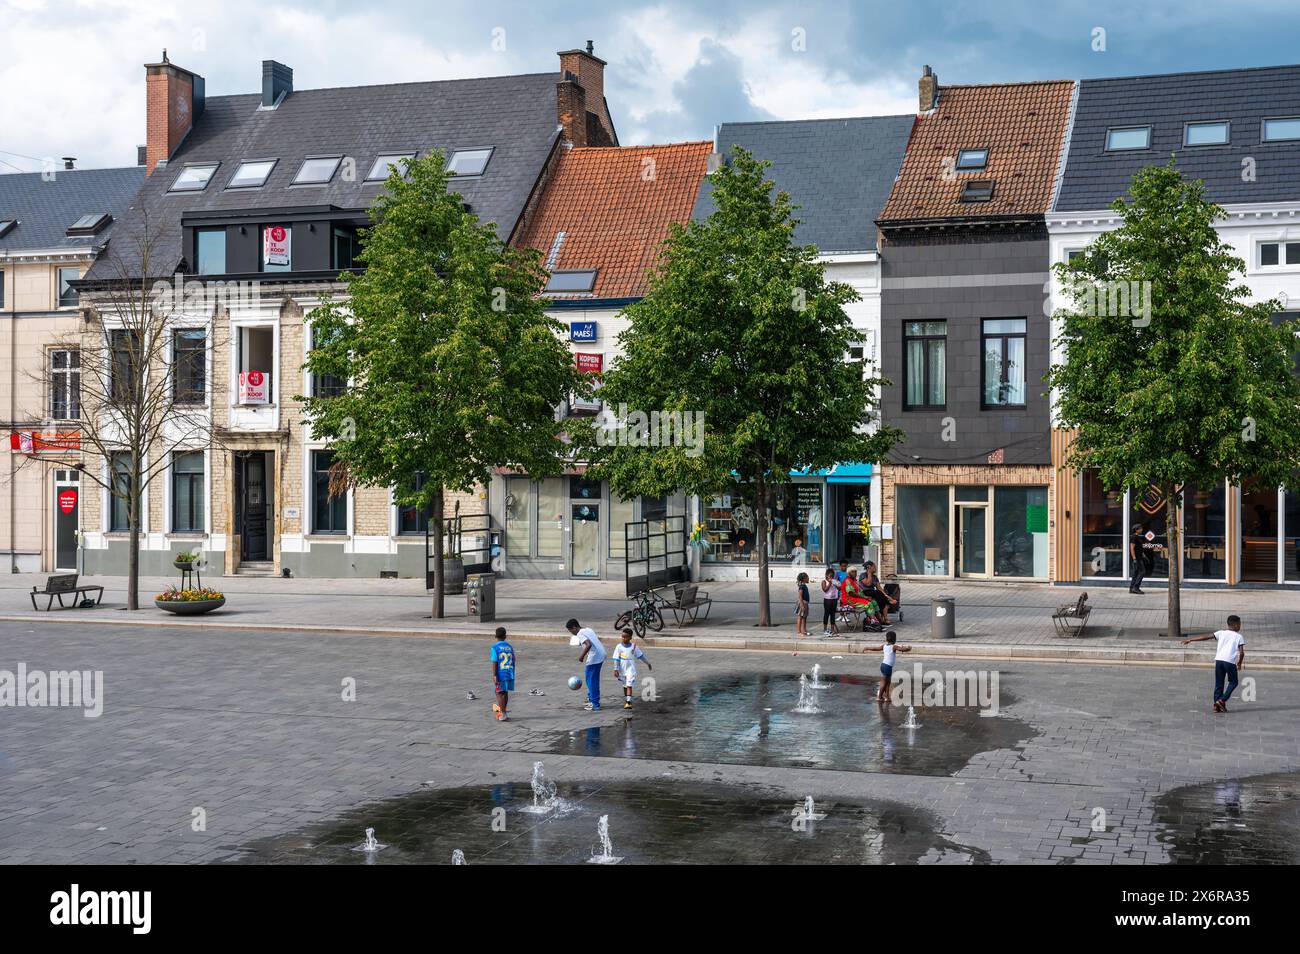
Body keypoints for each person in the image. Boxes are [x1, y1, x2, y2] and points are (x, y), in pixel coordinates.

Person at [1182, 615, 1246, 713]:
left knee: (1219, 683)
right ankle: (1222, 700)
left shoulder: (1221, 633)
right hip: (1229, 662)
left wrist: (1191, 640)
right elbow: (1241, 652)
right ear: (1236, 625)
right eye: (1240, 624)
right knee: (1234, 682)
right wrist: (1239, 663)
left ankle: (1216, 706)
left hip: (1219, 660)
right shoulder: (1239, 636)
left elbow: (1206, 637)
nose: (1240, 626)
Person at [567, 618, 606, 711]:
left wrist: (582, 656)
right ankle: (590, 698)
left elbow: (588, 644)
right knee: (593, 679)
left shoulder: (580, 633)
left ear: (574, 627)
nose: (571, 633)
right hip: (601, 654)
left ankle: (595, 704)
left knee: (591, 681)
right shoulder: (588, 629)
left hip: (594, 657)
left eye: (570, 630)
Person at [863, 631, 911, 703]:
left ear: (886, 639)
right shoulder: (894, 647)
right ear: (895, 639)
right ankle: (879, 697)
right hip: (887, 667)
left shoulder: (884, 646)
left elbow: (875, 648)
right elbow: (901, 649)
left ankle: (887, 697)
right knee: (885, 683)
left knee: (888, 682)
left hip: (883, 665)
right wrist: (908, 648)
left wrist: (867, 648)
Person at [611, 628, 651, 710]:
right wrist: (616, 669)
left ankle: (628, 702)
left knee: (629, 685)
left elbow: (641, 656)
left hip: (630, 669)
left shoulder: (634, 647)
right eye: (622, 637)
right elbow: (616, 659)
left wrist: (647, 663)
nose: (623, 638)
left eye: (625, 637)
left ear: (630, 638)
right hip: (622, 669)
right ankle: (627, 699)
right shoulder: (618, 647)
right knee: (625, 685)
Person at [489, 626, 515, 722]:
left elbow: (495, 662)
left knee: (498, 692)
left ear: (496, 636)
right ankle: (504, 712)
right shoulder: (509, 647)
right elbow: (513, 659)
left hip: (501, 673)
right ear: (505, 636)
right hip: (509, 672)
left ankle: (502, 713)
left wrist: (494, 675)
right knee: (505, 692)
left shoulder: (495, 648)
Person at [820, 567, 841, 638]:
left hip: (834, 599)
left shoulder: (835, 581)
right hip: (827, 600)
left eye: (832, 576)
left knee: (833, 614)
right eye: (830, 576)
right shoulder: (824, 582)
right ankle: (825, 629)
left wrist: (836, 584)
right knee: (826, 614)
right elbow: (825, 590)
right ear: (826, 575)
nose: (831, 577)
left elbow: (840, 588)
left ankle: (832, 629)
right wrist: (829, 583)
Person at [1129, 523, 1147, 594]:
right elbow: (1132, 548)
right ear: (1137, 530)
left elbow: (1139, 548)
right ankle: (1136, 587)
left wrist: (1144, 556)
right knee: (1142, 572)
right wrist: (1134, 558)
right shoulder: (1134, 537)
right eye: (1140, 528)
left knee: (1136, 573)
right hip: (1137, 558)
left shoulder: (1138, 537)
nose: (1141, 529)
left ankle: (1131, 588)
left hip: (1139, 557)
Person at [795, 572, 810, 638]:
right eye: (807, 577)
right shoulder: (802, 586)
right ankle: (798, 631)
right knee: (800, 617)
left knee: (804, 617)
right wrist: (801, 605)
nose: (808, 578)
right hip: (802, 603)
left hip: (805, 603)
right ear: (804, 579)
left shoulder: (804, 585)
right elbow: (800, 596)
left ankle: (804, 630)